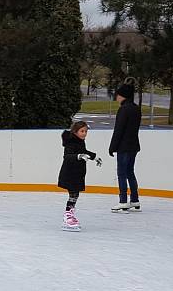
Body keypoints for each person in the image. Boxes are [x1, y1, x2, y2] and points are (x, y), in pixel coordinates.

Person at [57, 121, 102, 231]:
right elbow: (67, 156)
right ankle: (68, 217)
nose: (84, 133)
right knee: (73, 195)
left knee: (75, 195)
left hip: (77, 173)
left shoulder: (80, 141)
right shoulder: (71, 142)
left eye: (86, 131)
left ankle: (69, 215)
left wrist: (94, 157)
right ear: (75, 131)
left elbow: (84, 151)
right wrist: (79, 156)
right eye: (82, 131)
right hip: (70, 173)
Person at [108, 78, 142, 212]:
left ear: (123, 96)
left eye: (118, 95)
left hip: (124, 147)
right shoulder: (136, 109)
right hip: (134, 146)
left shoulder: (123, 110)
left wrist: (112, 147)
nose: (116, 97)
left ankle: (123, 201)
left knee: (122, 173)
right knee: (130, 172)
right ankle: (135, 199)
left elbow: (119, 130)